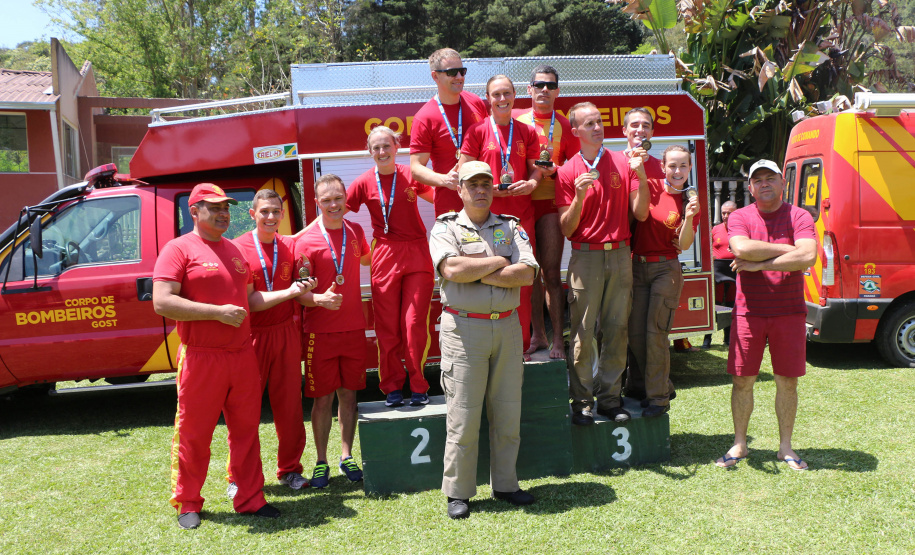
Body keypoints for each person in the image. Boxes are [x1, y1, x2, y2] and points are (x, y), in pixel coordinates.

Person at [152, 183, 309, 529]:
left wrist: (290, 292)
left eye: (226, 208)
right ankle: (188, 501)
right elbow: (161, 301)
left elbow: (250, 302)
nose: (224, 213)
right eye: (214, 208)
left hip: (241, 355)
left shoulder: (235, 252)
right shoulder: (178, 249)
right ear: (194, 212)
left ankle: (250, 497)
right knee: (195, 433)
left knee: (246, 431)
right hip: (202, 357)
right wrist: (215, 312)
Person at [430, 160, 539, 519]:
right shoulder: (445, 227)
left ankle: (506, 484)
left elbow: (526, 274)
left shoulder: (511, 226)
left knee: (508, 411)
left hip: (506, 327)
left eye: (485, 184)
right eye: (471, 184)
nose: (479, 190)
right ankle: (459, 493)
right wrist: (499, 261)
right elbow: (452, 269)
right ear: (459, 190)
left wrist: (478, 271)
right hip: (464, 330)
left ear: (493, 188)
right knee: (463, 416)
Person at [715, 160, 817, 471]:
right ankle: (740, 444)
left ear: (782, 182)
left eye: (769, 178)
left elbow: (810, 255)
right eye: (757, 180)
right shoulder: (741, 217)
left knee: (787, 382)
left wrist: (762, 264)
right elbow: (741, 249)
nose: (764, 184)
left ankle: (785, 447)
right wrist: (789, 251)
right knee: (742, 380)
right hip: (749, 313)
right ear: (750, 187)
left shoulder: (798, 215)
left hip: (789, 312)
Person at [556, 102, 649, 426]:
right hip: (585, 256)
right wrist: (579, 198)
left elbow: (641, 213)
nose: (597, 127)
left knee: (616, 330)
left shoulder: (623, 162)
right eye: (590, 123)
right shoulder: (568, 170)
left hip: (621, 253)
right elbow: (566, 228)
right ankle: (581, 402)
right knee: (582, 333)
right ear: (576, 131)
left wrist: (640, 174)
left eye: (599, 122)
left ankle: (610, 399)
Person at [224, 189, 315, 500]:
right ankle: (239, 475)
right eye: (264, 211)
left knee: (289, 407)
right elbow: (250, 302)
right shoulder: (238, 249)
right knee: (243, 410)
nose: (271, 217)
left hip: (285, 333)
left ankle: (290, 469)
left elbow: (304, 281)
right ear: (252, 214)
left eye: (276, 211)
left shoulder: (289, 245)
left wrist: (314, 291)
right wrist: (292, 292)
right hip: (252, 336)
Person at [346, 126, 435, 408]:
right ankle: (392, 387)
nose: (382, 152)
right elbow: (335, 213)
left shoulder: (411, 174)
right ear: (369, 151)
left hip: (417, 252)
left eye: (386, 146)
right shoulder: (363, 182)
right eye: (376, 148)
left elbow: (440, 197)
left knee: (413, 324)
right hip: (384, 254)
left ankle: (418, 384)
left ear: (397, 146)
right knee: (387, 327)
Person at [294, 174, 372, 488]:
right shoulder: (306, 240)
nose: (334, 205)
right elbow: (297, 292)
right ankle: (321, 461)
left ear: (345, 199)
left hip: (353, 327)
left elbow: (367, 258)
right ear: (317, 203)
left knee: (349, 397)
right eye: (327, 200)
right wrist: (318, 299)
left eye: (338, 198)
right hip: (319, 332)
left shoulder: (356, 230)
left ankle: (346, 455)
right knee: (322, 400)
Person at [460, 74, 542, 354]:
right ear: (488, 99)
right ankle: (490, 348)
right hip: (486, 221)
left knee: (523, 283)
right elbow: (464, 171)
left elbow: (535, 169)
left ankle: (519, 348)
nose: (502, 99)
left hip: (520, 219)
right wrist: (487, 188)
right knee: (487, 279)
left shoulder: (527, 132)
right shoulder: (477, 132)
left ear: (514, 96)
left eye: (506, 93)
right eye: (496, 94)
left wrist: (531, 183)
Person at [628, 146, 700, 417]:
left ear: (690, 168)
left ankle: (658, 398)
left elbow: (683, 245)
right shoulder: (650, 186)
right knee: (635, 334)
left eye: (683, 166)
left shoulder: (690, 200)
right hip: (636, 266)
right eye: (672, 165)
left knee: (655, 334)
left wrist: (690, 216)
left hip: (665, 270)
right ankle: (656, 385)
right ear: (663, 167)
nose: (678, 171)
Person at [514, 65, 580, 359]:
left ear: (557, 91)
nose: (544, 90)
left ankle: (556, 341)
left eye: (550, 85)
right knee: (528, 273)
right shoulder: (515, 119)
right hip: (520, 204)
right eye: (539, 85)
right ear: (529, 89)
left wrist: (557, 170)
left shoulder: (564, 125)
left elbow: (578, 166)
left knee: (552, 274)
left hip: (551, 205)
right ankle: (536, 336)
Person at [410, 48, 489, 217]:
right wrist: (445, 180)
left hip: (485, 197)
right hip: (450, 203)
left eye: (462, 71)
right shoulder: (424, 117)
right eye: (452, 72)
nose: (459, 77)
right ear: (435, 76)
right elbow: (416, 168)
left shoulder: (475, 102)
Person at [702, 200, 738, 348]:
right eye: (723, 213)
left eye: (729, 213)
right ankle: (707, 340)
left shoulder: (740, 231)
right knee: (714, 306)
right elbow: (706, 247)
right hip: (717, 271)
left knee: (730, 305)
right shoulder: (715, 229)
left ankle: (728, 339)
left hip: (733, 270)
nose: (726, 216)